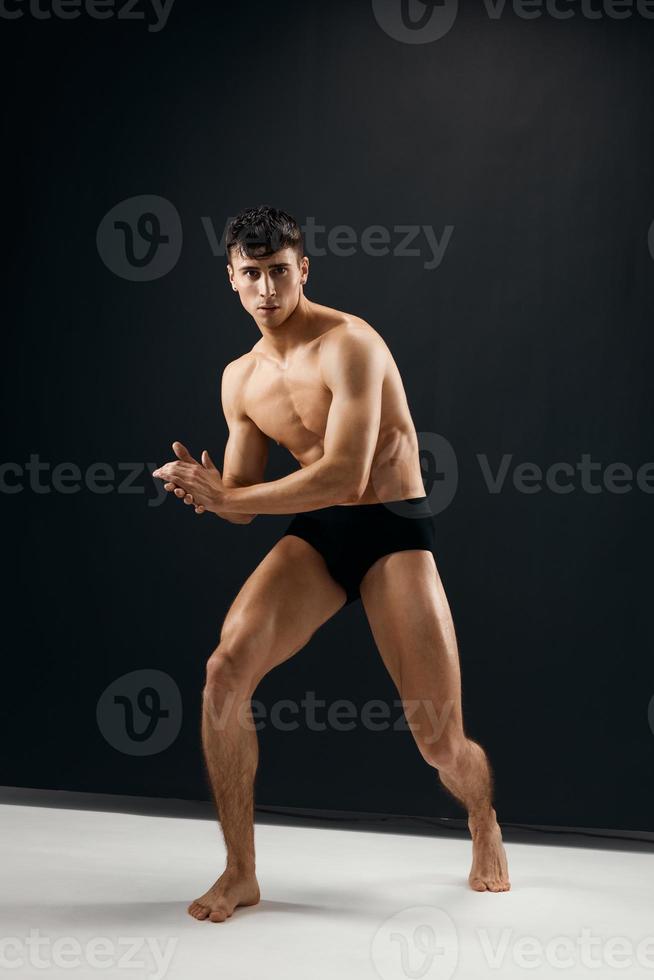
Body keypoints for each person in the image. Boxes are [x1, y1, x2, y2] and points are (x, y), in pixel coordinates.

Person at [152, 205, 511, 922]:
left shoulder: (350, 345)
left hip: (389, 526)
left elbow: (347, 475)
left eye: (279, 272)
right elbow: (250, 499)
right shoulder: (240, 381)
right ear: (231, 278)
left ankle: (482, 819)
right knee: (225, 670)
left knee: (440, 741)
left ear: (303, 269)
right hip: (319, 530)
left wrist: (230, 499)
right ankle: (241, 871)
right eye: (250, 275)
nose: (266, 290)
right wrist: (214, 493)